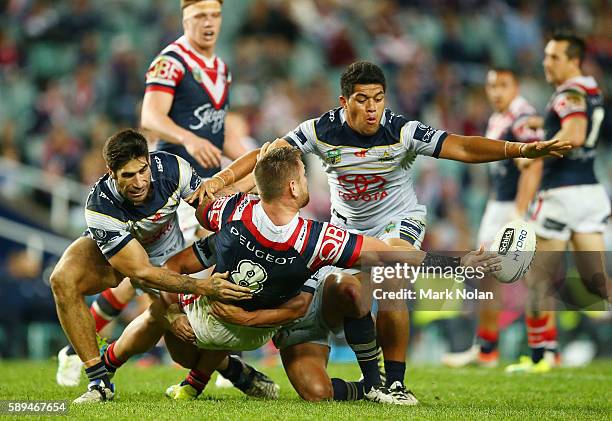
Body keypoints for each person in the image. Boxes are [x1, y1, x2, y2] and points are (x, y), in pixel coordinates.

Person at [202, 61, 571, 401]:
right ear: (344, 101)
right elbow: (269, 157)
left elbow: (461, 147)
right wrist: (222, 178)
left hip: (398, 221)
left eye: (378, 98)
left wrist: (518, 149)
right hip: (346, 228)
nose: (372, 108)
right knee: (343, 297)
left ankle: (394, 382)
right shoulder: (320, 130)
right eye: (362, 100)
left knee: (393, 278)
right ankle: (352, 379)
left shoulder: (402, 132)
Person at [100, 146, 501, 405]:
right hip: (249, 315)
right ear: (293, 186)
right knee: (203, 314)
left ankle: (375, 385)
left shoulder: (232, 210)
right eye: (306, 178)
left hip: (281, 315)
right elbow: (392, 254)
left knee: (318, 387)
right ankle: (191, 372)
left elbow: (202, 205)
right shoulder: (317, 238)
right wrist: (459, 264)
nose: (309, 184)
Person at [56, 0, 249, 388]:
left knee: (147, 276)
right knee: (158, 274)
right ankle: (221, 364)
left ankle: (80, 351)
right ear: (185, 18)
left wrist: (245, 161)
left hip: (202, 181)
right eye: (199, 17)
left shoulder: (221, 68)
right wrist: (188, 140)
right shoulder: (171, 62)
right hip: (165, 186)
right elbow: (150, 117)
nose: (208, 23)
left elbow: (217, 132)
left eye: (214, 15)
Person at [49, 129, 271, 403]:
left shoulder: (173, 168)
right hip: (126, 258)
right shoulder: (100, 207)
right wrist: (202, 287)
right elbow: (141, 273)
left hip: (171, 254)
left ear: (149, 160)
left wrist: (260, 174)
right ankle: (98, 379)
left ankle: (234, 369)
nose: (139, 182)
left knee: (183, 345)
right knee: (62, 279)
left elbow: (210, 203)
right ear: (110, 172)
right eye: (128, 175)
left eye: (143, 170)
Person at [506, 33, 610, 373]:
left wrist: (536, 148)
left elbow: (575, 133)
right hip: (590, 191)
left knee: (538, 279)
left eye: (553, 57)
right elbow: (574, 124)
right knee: (598, 282)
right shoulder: (591, 89)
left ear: (573, 60)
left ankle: (542, 355)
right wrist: (542, 124)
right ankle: (545, 353)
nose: (545, 62)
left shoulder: (569, 93)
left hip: (560, 196)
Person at [441, 68, 544, 368]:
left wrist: (519, 213)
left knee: (535, 278)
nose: (496, 91)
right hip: (497, 204)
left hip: (514, 206)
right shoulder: (498, 118)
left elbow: (532, 166)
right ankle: (486, 349)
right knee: (486, 276)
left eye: (503, 85)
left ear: (516, 86)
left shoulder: (522, 116)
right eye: (492, 86)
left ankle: (543, 348)